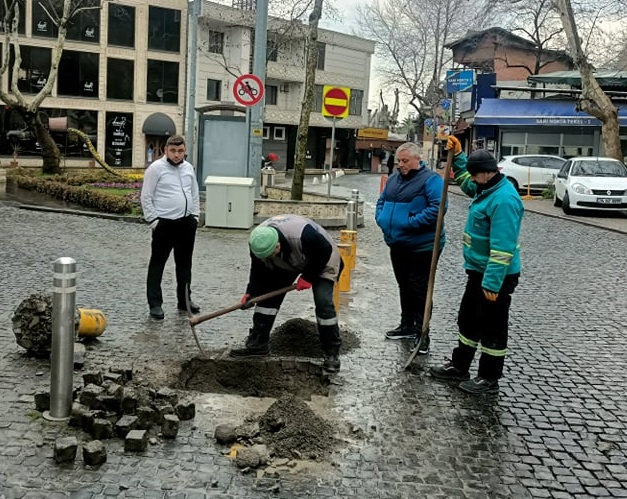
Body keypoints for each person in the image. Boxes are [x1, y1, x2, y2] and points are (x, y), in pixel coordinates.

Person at [430, 136, 524, 394]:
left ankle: (489, 378)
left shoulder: (504, 200)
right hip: (477, 272)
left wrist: (492, 283)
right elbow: (465, 182)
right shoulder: (485, 188)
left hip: (496, 277)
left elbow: (503, 249)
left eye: (474, 175)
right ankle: (460, 366)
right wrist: (459, 156)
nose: (471, 179)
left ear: (487, 173)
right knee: (468, 319)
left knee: (492, 327)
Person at [230, 214, 344, 372]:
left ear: (277, 246)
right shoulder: (258, 243)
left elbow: (325, 250)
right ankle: (258, 343)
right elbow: (257, 270)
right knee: (269, 296)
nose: (267, 259)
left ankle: (331, 352)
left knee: (323, 301)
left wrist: (308, 277)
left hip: (322, 258)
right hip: (289, 259)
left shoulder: (305, 235)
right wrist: (251, 293)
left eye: (269, 256)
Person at [375, 141, 445, 355]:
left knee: (419, 289)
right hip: (397, 244)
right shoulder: (393, 179)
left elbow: (438, 208)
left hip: (422, 246)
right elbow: (381, 201)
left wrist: (410, 223)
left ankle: (422, 333)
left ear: (417, 159)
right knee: (404, 285)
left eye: (405, 161)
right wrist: (381, 218)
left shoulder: (431, 180)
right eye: (399, 160)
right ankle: (406, 325)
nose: (401, 164)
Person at [140, 134, 200, 320]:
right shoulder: (155, 169)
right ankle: (155, 304)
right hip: (164, 224)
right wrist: (154, 221)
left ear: (184, 151)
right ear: (165, 150)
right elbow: (146, 196)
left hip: (186, 223)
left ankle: (184, 301)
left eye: (180, 151)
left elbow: (194, 192)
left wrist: (195, 216)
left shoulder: (188, 168)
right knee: (157, 264)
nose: (176, 154)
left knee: (185, 265)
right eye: (173, 150)